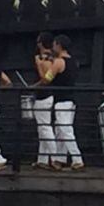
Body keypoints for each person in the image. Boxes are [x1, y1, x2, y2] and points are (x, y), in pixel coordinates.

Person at [48, 35, 84, 170]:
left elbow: (48, 78)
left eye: (54, 44)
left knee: (65, 129)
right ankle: (60, 158)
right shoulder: (74, 61)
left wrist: (38, 83)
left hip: (61, 99)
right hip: (71, 99)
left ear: (58, 45)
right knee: (60, 129)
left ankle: (77, 158)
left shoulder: (58, 62)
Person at [32, 32, 58, 170]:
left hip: (44, 95)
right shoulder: (54, 57)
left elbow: (46, 79)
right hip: (48, 95)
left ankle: (55, 157)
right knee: (43, 128)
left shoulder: (44, 59)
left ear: (41, 44)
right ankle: (42, 159)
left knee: (45, 127)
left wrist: (39, 64)